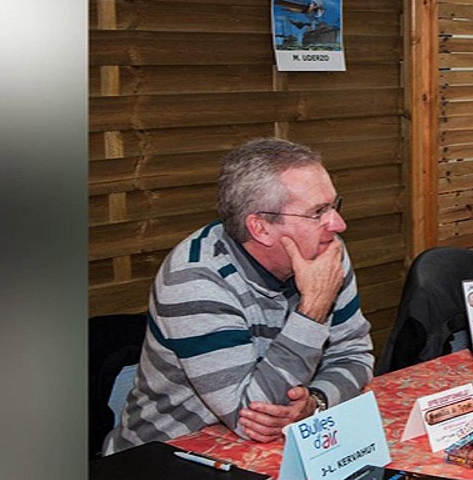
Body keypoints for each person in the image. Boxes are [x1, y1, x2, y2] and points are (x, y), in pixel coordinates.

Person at [102, 138, 374, 455]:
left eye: (333, 205)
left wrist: (315, 400)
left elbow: (355, 354)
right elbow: (253, 416)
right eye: (318, 212)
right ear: (260, 227)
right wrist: (313, 309)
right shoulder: (196, 279)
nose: (337, 224)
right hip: (163, 462)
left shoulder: (324, 249)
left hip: (265, 452)